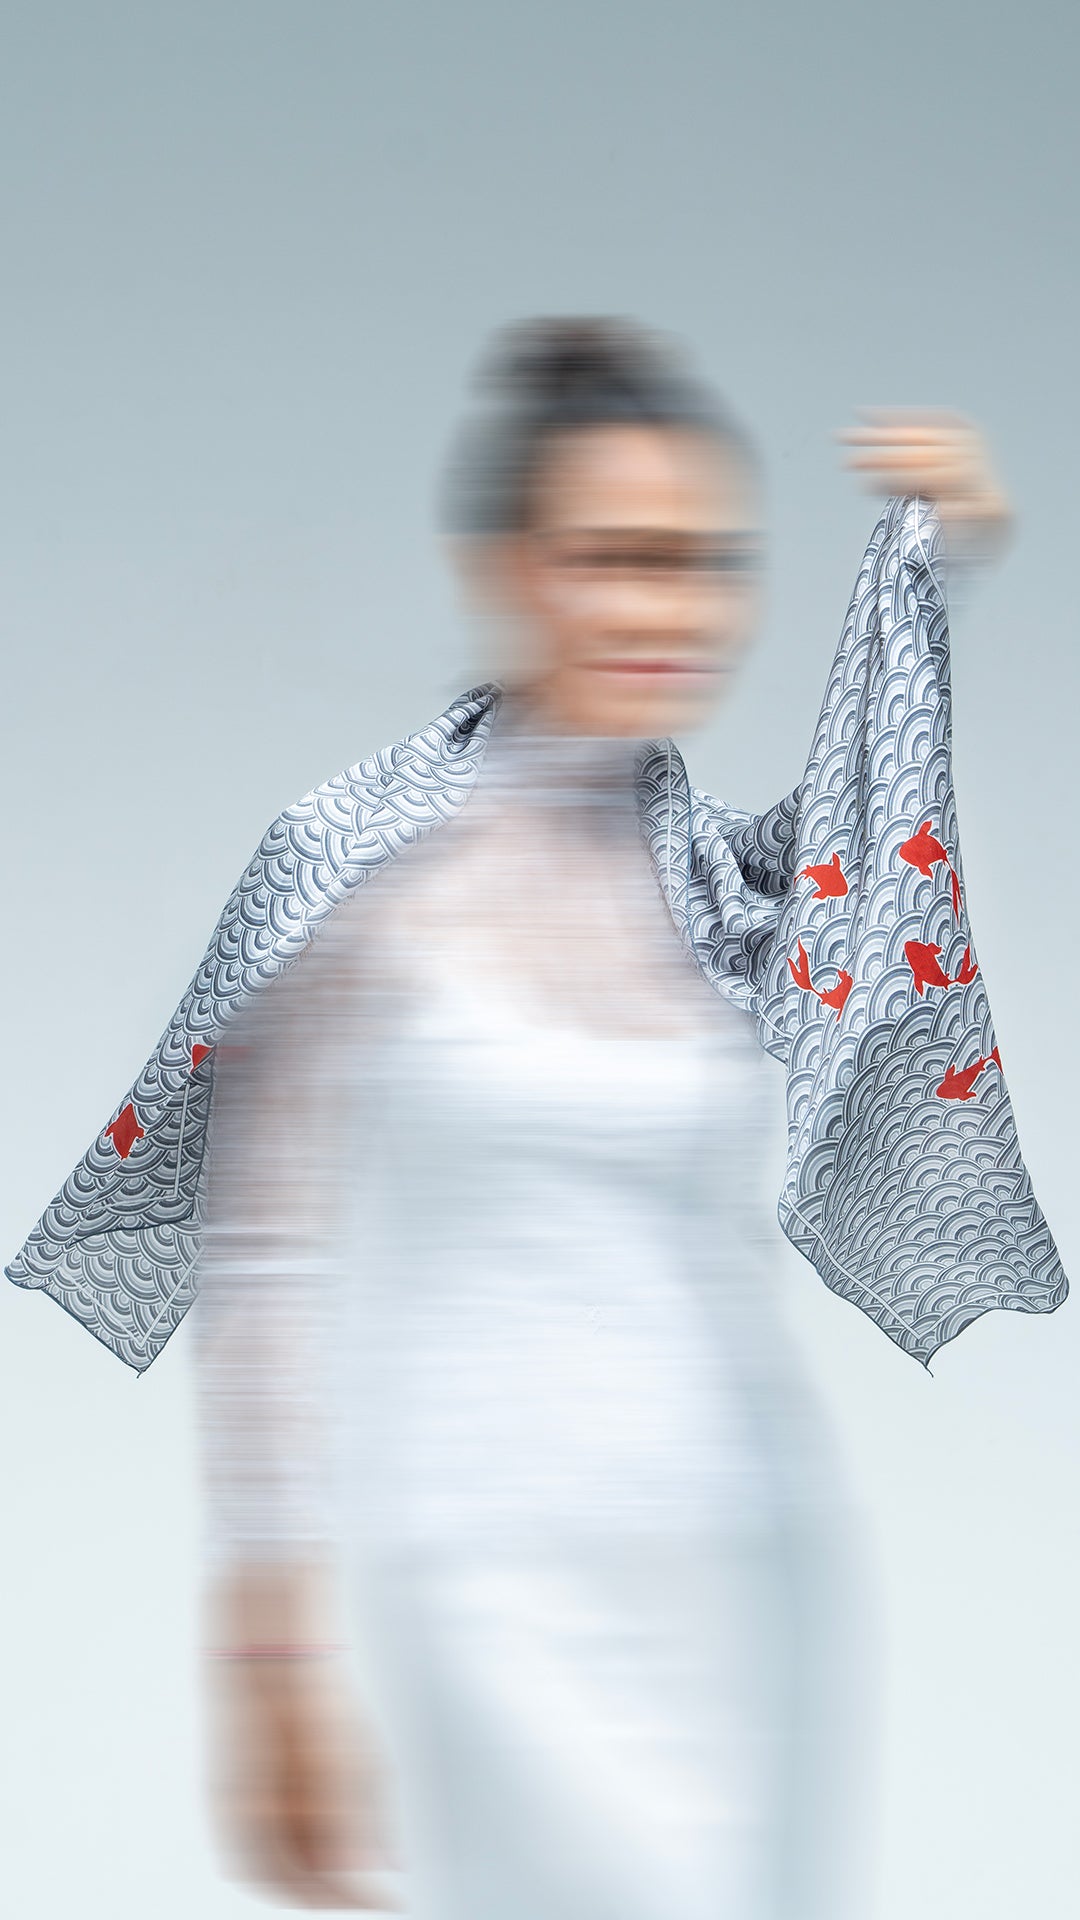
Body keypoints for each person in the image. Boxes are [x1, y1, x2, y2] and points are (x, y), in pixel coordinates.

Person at [26, 316, 1029, 1917]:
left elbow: (872, 823)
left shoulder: (725, 889)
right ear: (510, 568)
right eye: (618, 557)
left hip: (740, 1551)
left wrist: (927, 565)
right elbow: (266, 1261)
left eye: (705, 564)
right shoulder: (353, 867)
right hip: (485, 1572)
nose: (669, 608)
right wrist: (271, 1653)